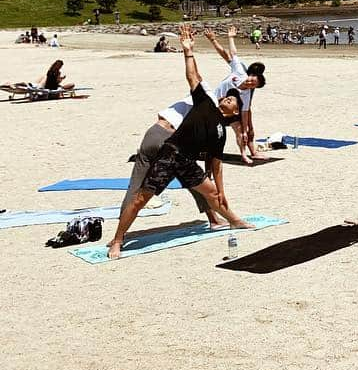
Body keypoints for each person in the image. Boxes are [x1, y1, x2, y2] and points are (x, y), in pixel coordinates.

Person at [107, 27, 256, 258]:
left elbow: (215, 164)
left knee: (214, 195)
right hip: (170, 153)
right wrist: (188, 51)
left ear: (233, 113)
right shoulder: (205, 102)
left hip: (186, 161)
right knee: (139, 200)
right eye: (229, 96)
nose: (229, 98)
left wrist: (221, 190)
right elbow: (192, 77)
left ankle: (235, 221)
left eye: (233, 101)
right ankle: (117, 240)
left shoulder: (220, 133)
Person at [201, 26, 268, 163]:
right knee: (205, 129)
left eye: (253, 84)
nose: (250, 83)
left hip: (231, 109)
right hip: (213, 103)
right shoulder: (240, 72)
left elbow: (245, 112)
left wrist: (245, 129)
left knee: (240, 130)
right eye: (251, 80)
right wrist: (228, 37)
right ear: (251, 75)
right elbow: (231, 54)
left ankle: (245, 154)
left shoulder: (247, 93)